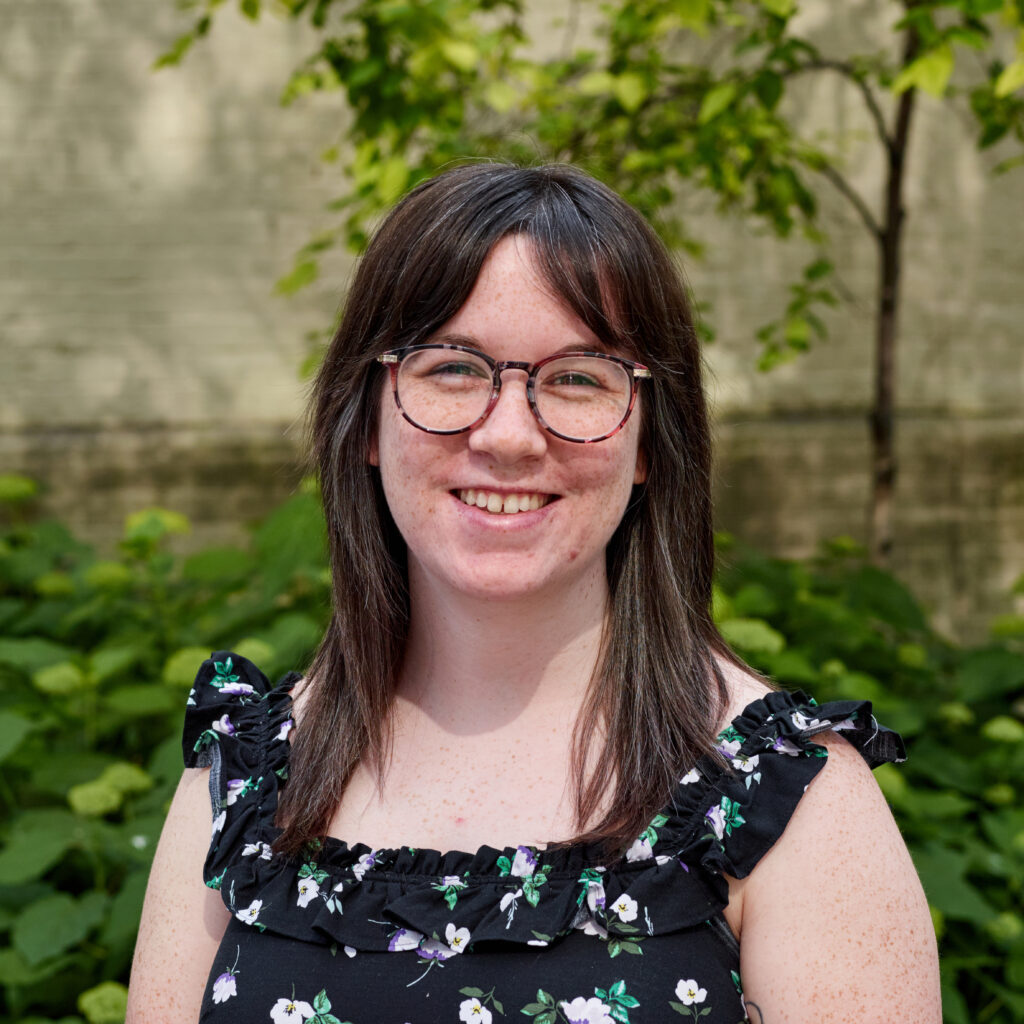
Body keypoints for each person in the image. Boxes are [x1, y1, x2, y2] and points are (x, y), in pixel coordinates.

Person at [127, 163, 940, 1024]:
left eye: (579, 378)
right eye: (451, 369)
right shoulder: (249, 788)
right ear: (365, 416)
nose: (509, 435)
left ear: (654, 443)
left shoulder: (786, 803)